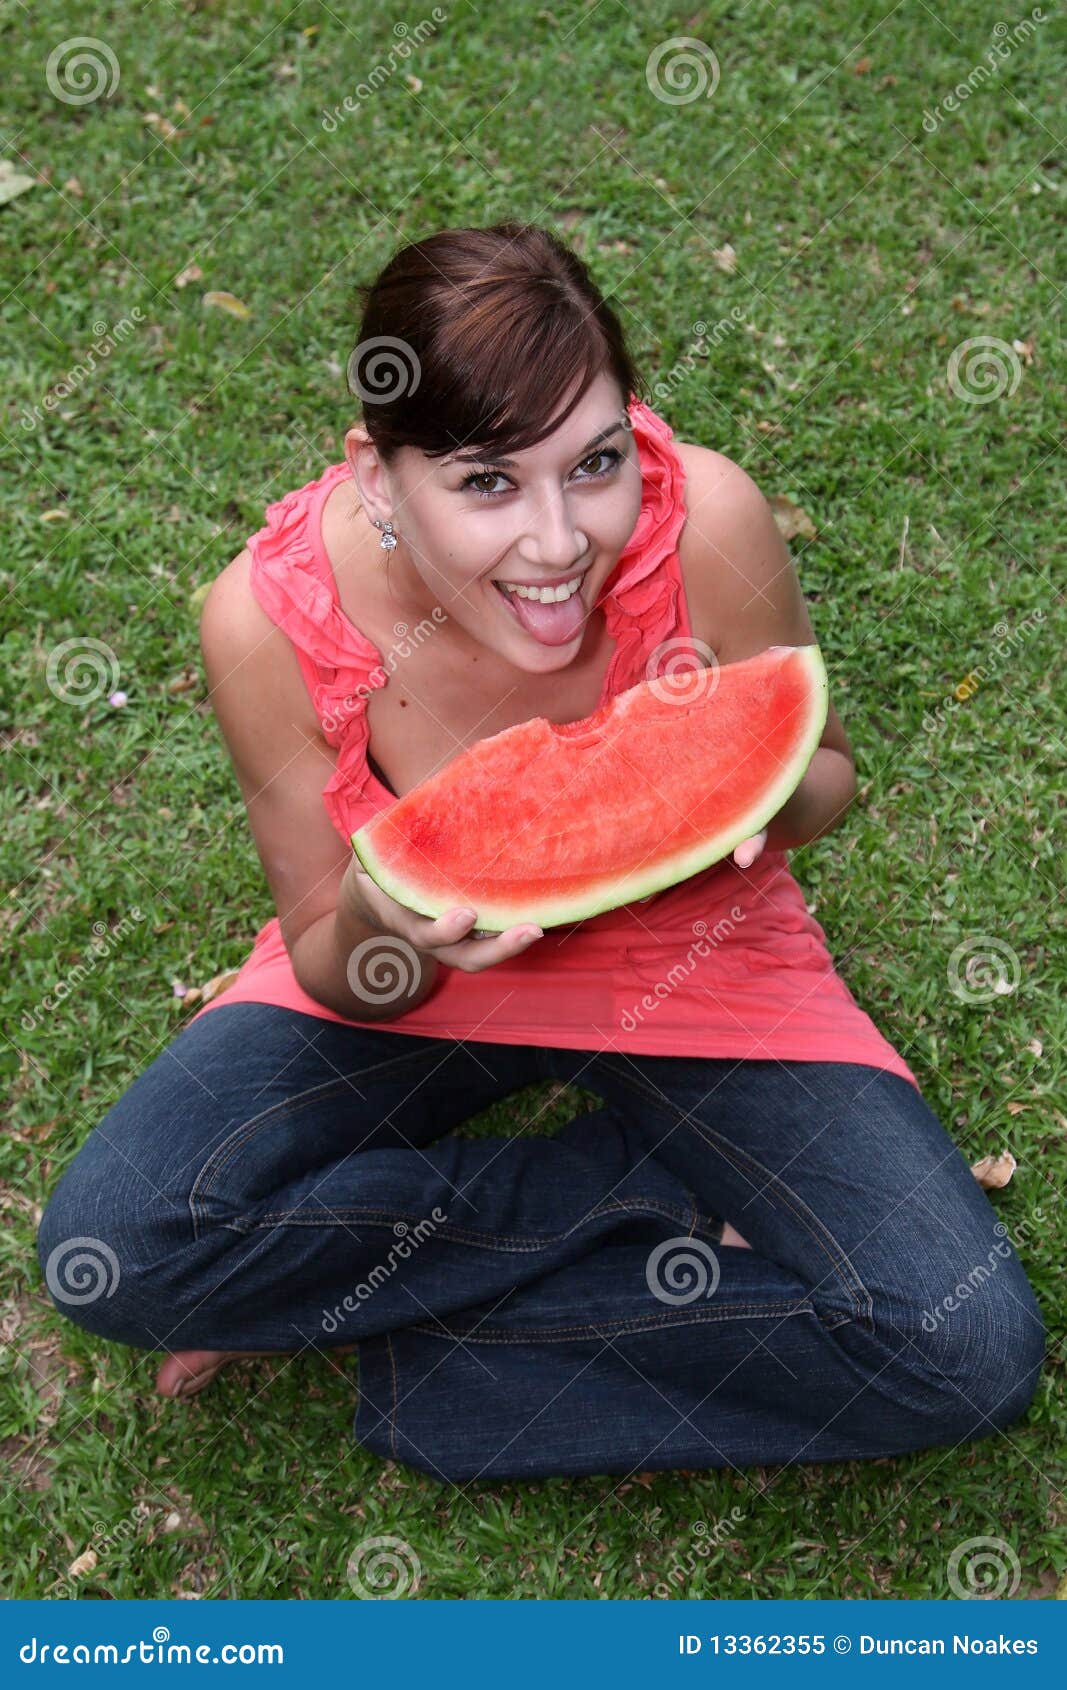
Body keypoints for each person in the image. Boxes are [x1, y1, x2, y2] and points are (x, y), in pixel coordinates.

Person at [37, 222, 1044, 1485]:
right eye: (484, 482)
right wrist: (376, 932)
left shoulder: (704, 522)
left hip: (697, 954)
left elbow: (823, 766)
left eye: (596, 464)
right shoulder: (265, 622)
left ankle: (425, 1363)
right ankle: (647, 1194)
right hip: (424, 982)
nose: (560, 541)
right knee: (114, 1246)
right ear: (374, 476)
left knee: (969, 1347)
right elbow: (323, 957)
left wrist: (729, 807)